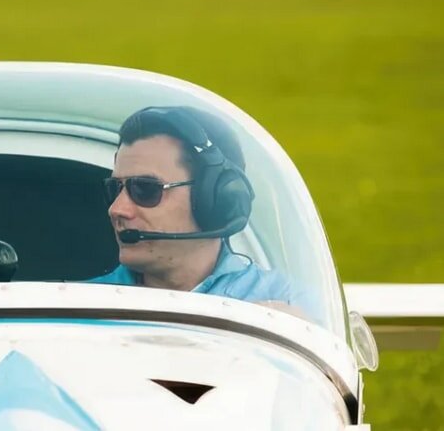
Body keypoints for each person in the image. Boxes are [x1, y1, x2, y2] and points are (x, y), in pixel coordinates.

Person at [91, 106, 318, 321]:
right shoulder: (83, 307)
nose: (117, 209)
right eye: (115, 189)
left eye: (145, 189)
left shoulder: (293, 308)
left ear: (216, 199)